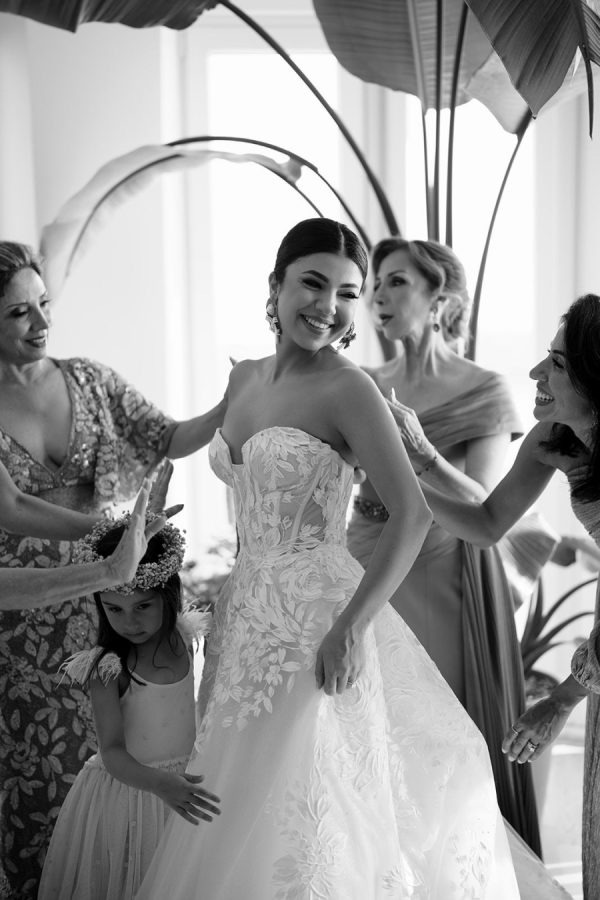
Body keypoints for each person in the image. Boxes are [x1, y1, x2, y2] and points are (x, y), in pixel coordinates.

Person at [135, 218, 521, 899]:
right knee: (235, 792)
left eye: (347, 293)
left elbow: (412, 513)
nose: (329, 306)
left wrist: (350, 628)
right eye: (313, 284)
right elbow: (227, 475)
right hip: (245, 616)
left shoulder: (349, 389)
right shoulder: (244, 378)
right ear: (275, 286)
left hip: (316, 621)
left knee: (309, 804)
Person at [0, 241, 226, 898]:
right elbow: (11, 508)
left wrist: (231, 402)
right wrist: (110, 534)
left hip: (110, 601)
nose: (42, 322)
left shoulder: (88, 380)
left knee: (118, 757)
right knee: (33, 770)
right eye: (18, 312)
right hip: (22, 618)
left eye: (44, 303)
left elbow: (168, 436)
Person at [346, 237, 540, 852]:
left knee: (433, 723)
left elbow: (485, 504)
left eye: (397, 281)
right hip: (359, 553)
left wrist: (419, 452)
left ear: (441, 299)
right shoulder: (361, 383)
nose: (378, 294)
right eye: (376, 282)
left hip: (438, 565)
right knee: (364, 719)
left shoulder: (484, 390)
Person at [418, 293, 600, 899]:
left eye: (558, 363)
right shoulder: (553, 438)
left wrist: (564, 697)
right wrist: (404, 470)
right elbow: (487, 522)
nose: (535, 372)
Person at [37, 515, 219, 900]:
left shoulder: (185, 637)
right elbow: (112, 751)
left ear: (169, 594)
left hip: (183, 783)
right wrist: (159, 784)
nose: (129, 622)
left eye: (142, 606)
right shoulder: (108, 668)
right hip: (134, 790)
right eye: (114, 609)